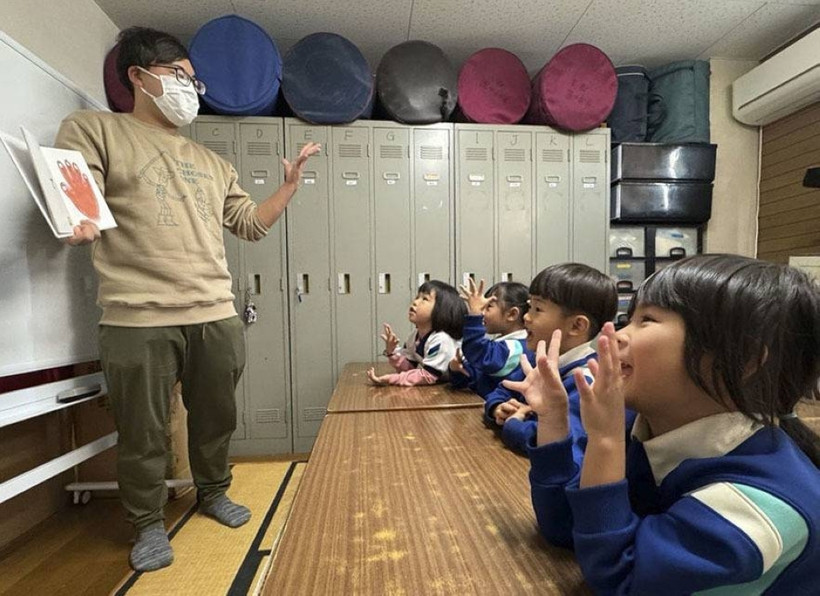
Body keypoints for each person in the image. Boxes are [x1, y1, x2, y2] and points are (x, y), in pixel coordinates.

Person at [55, 27, 320, 572]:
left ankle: (213, 492)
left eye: (193, 81)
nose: (190, 89)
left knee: (216, 418)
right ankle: (147, 523)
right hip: (135, 316)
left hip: (215, 313)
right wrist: (75, 221)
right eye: (180, 76)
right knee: (143, 430)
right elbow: (74, 190)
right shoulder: (94, 129)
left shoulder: (212, 161)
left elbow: (247, 225)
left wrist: (287, 188)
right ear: (139, 75)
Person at [508, 254, 820, 594]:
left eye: (647, 320)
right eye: (629, 318)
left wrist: (605, 442)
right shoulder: (646, 430)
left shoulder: (759, 505)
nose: (617, 336)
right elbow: (564, 526)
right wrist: (553, 420)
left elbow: (623, 583)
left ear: (742, 360)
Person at [484, 263, 618, 455]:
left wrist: (515, 424)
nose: (526, 318)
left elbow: (557, 443)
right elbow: (500, 391)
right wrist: (498, 408)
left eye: (537, 309)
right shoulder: (536, 360)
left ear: (577, 326)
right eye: (529, 307)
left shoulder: (585, 382)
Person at [367, 280, 466, 386]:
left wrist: (392, 379)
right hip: (444, 386)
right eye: (417, 297)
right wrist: (392, 353)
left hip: (464, 390)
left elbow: (429, 376)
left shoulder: (441, 339)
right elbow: (409, 367)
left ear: (442, 310)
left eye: (425, 299)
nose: (415, 302)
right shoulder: (415, 336)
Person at [449, 278, 529, 398]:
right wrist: (458, 370)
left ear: (512, 314)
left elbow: (480, 354)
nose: (482, 312)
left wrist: (475, 313)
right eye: (482, 307)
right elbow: (478, 376)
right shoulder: (501, 345)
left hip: (502, 411)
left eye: (488, 306)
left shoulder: (518, 348)